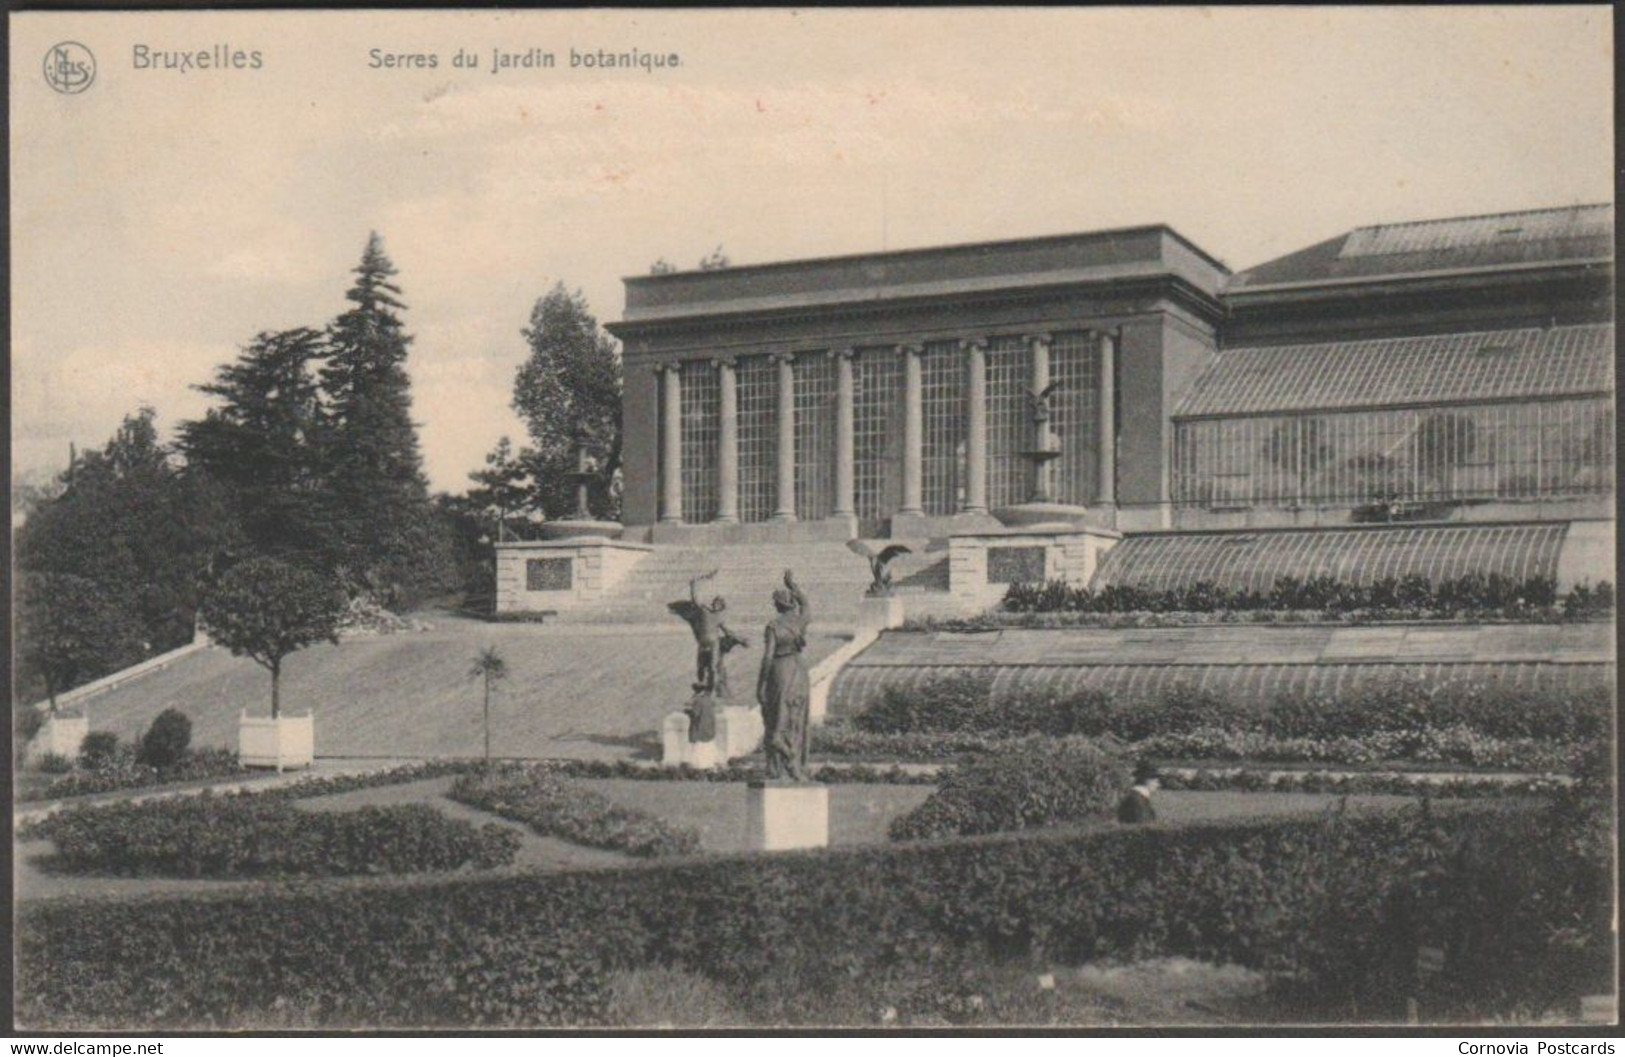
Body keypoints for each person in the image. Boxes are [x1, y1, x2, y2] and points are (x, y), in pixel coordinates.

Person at [757, 569, 811, 781]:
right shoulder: (800, 621)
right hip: (800, 670)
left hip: (781, 669)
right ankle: (793, 762)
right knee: (796, 717)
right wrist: (793, 586)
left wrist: (761, 684)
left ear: (778, 605)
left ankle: (787, 759)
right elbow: (806, 605)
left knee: (776, 718)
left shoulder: (773, 626)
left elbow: (768, 657)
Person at [667, 570, 745, 695]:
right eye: (715, 602)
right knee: (700, 668)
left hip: (713, 643)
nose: (715, 605)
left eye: (718, 604)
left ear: (721, 607)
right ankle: (702, 689)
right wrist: (696, 583)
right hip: (703, 644)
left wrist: (740, 639)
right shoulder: (704, 611)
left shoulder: (719, 617)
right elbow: (695, 598)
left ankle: (713, 691)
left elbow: (727, 631)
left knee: (713, 668)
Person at [1117, 759, 1161, 824]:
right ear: (1148, 781)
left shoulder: (1136, 798)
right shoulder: (1137, 801)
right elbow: (1142, 826)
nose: (1158, 785)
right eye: (1156, 782)